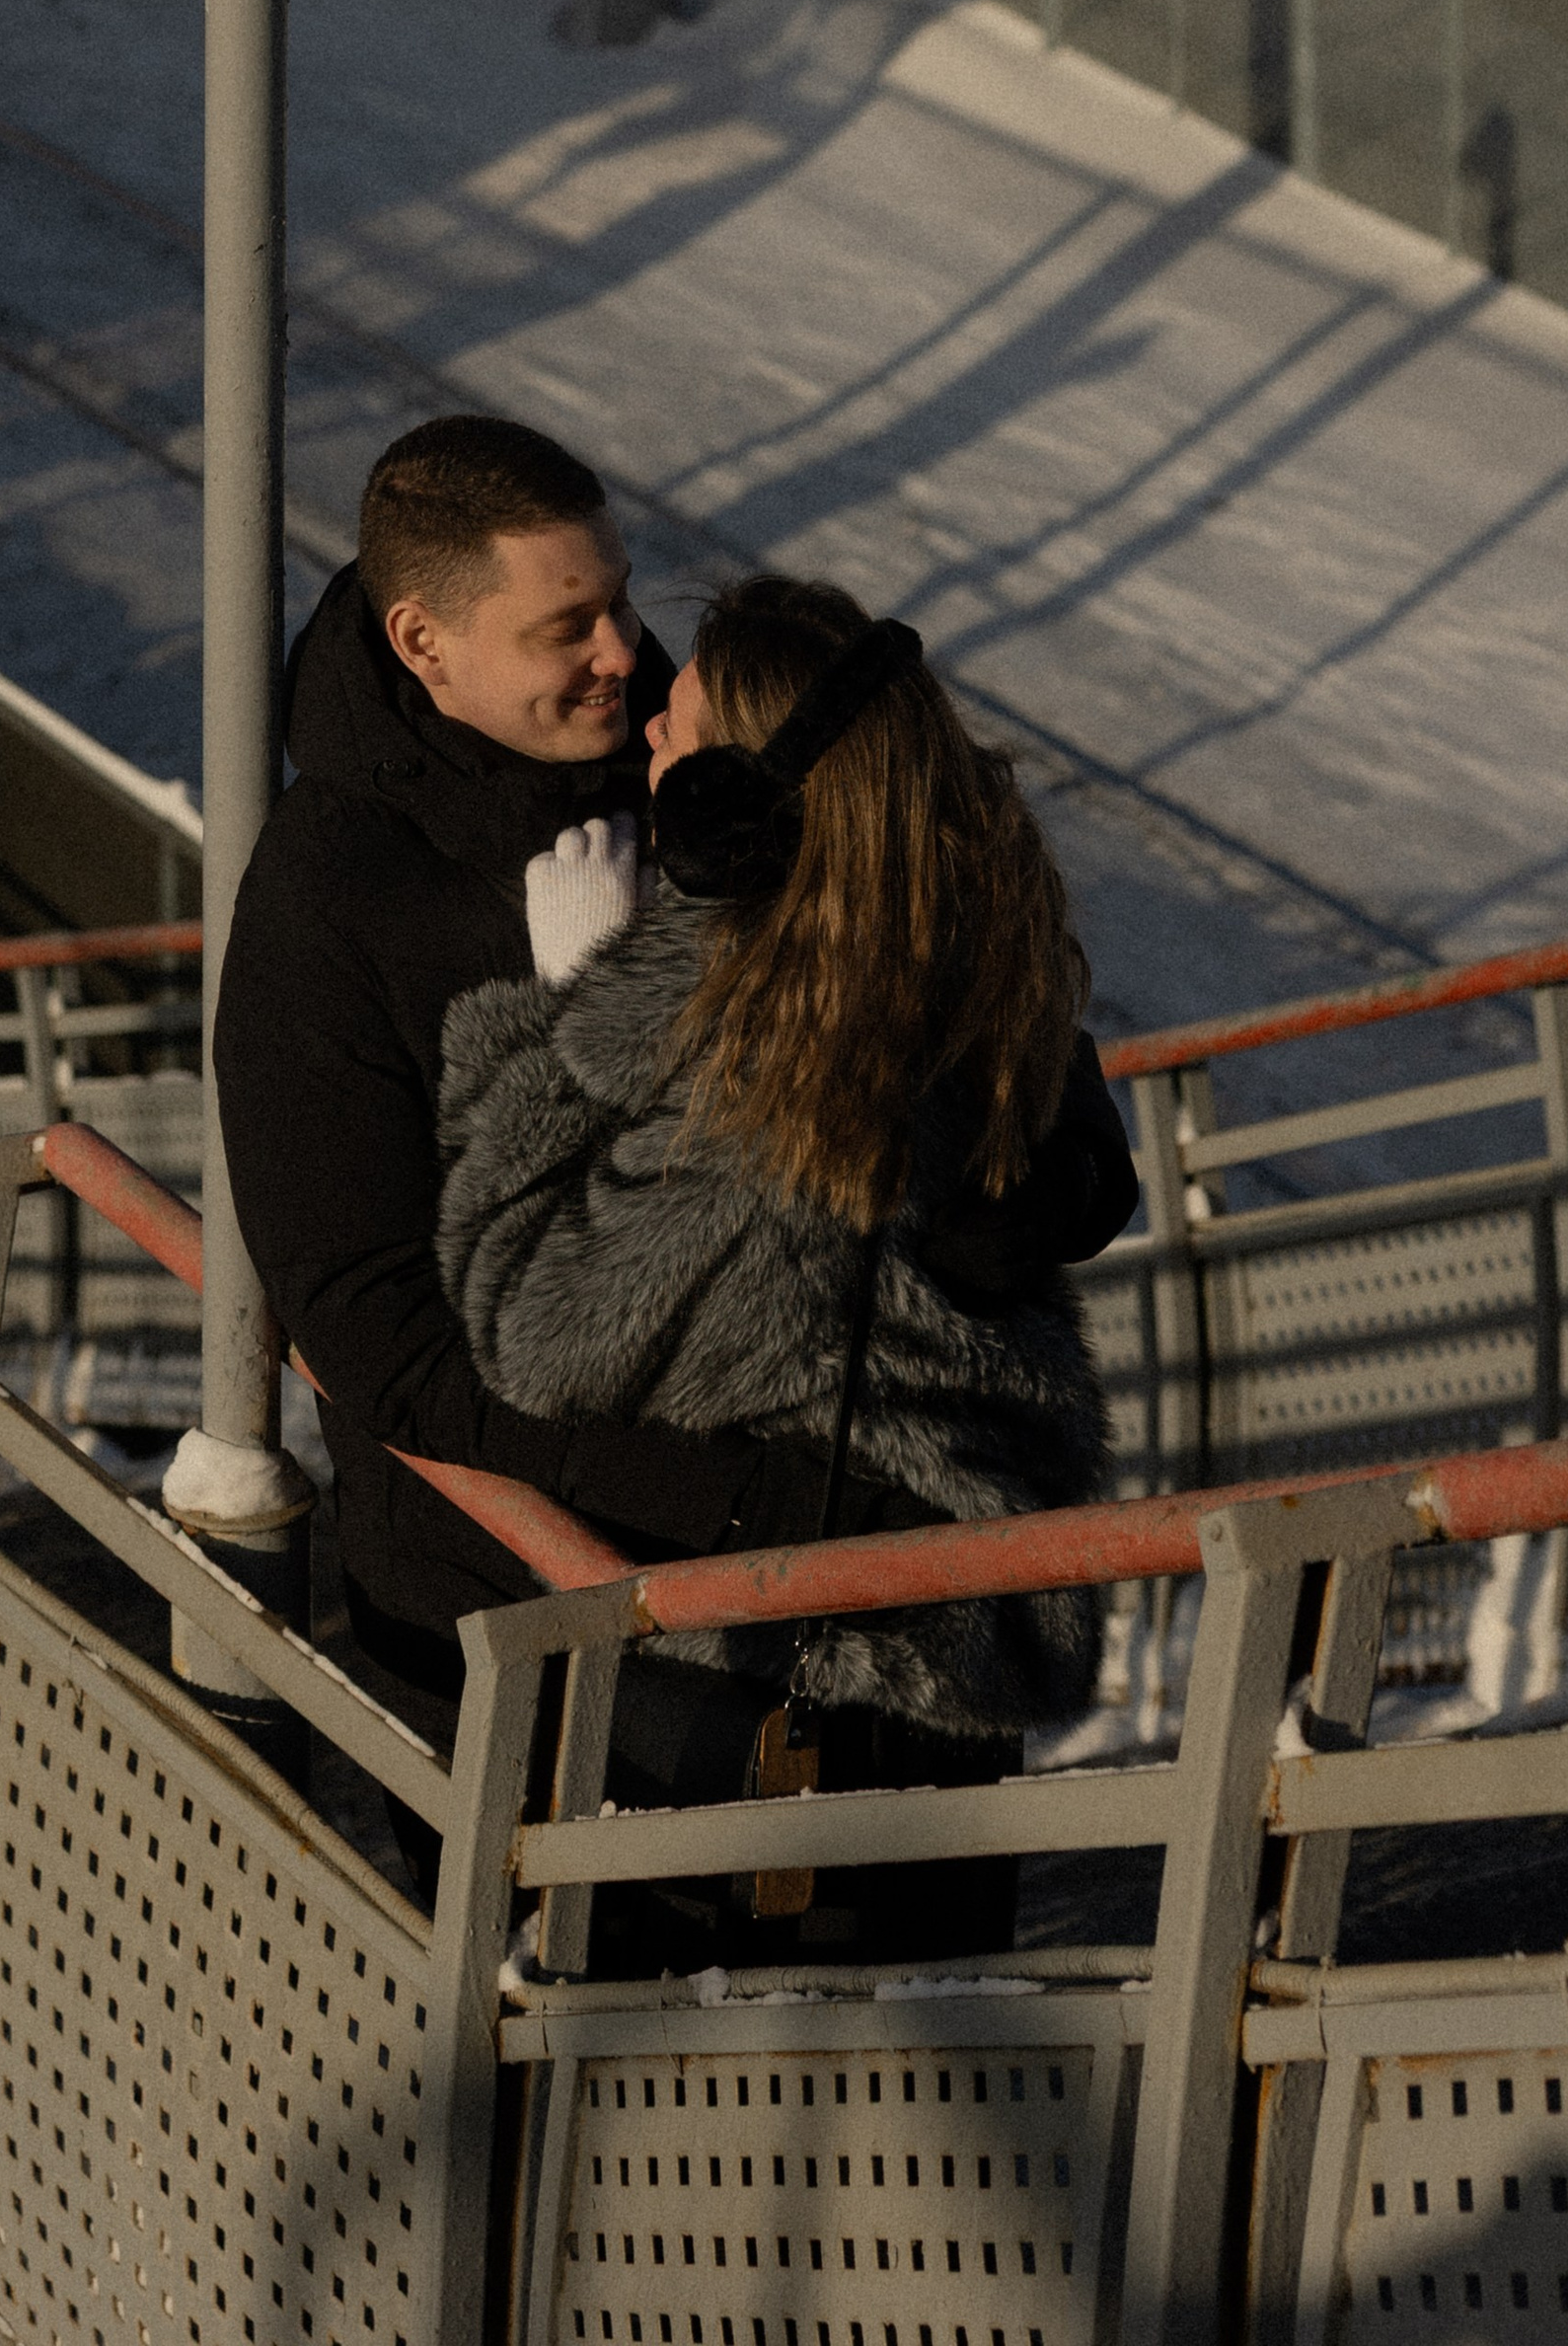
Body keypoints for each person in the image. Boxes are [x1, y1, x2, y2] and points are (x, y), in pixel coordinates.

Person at [213, 420, 1137, 1840]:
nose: (620, 652)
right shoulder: (328, 901)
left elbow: (942, 943)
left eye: (624, 598)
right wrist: (758, 1507)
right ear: (424, 639)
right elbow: (375, 1335)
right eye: (567, 625)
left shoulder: (692, 739)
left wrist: (1026, 1179)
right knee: (594, 2044)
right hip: (550, 1637)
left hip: (883, 1581)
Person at [432, 570, 1122, 1963]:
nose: (650, 757)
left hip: (788, 1705)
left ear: (748, 806)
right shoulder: (943, 976)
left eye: (679, 741)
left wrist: (578, 1014)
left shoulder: (786, 1098)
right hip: (930, 1689)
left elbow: (533, 1319)